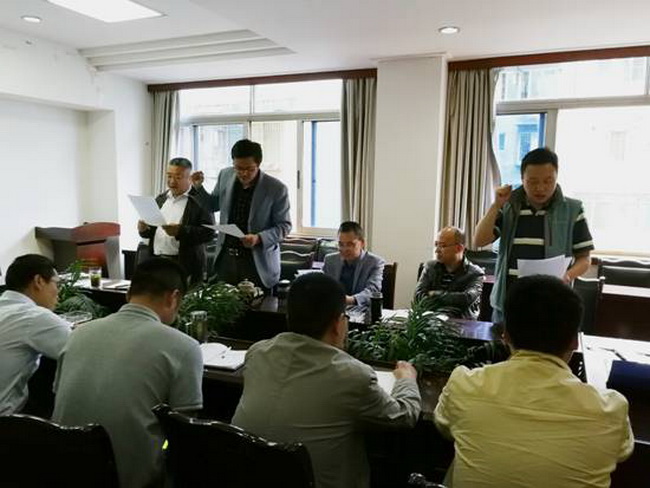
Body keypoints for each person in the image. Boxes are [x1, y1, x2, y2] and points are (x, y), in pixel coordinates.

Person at [434, 275, 634, 488]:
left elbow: (444, 425)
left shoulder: (464, 385)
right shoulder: (610, 410)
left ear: (505, 335)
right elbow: (622, 451)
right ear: (575, 341)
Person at [232, 273, 421, 488]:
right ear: (337, 324)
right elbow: (403, 417)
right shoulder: (353, 376)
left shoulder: (257, 353)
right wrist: (407, 379)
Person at [52, 258, 203, 488]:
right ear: (173, 297)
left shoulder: (78, 333)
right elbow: (182, 431)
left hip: (63, 469)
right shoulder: (184, 346)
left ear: (128, 294)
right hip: (131, 479)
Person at [473, 147, 594, 323]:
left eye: (548, 181)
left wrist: (567, 276)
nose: (540, 188)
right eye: (533, 181)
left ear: (556, 177)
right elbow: (479, 240)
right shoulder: (509, 206)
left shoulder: (572, 210)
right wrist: (496, 205)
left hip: (551, 303)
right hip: (508, 303)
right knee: (504, 342)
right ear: (522, 179)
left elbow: (585, 258)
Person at [191, 139, 291, 290]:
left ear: (258, 164)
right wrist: (198, 187)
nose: (243, 173)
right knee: (223, 302)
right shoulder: (225, 175)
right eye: (238, 168)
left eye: (249, 169)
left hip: (257, 261)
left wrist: (259, 238)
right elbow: (213, 205)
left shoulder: (276, 188)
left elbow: (284, 226)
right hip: (226, 258)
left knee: (257, 304)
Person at [0, 254, 70, 415]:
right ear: (39, 281)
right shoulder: (33, 316)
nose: (58, 292)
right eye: (56, 284)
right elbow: (82, 349)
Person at [138, 157, 215, 285]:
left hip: (184, 265)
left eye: (178, 177)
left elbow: (209, 233)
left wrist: (180, 231)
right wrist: (144, 230)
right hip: (157, 261)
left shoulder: (200, 200)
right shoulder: (161, 199)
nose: (172, 182)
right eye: (169, 176)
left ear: (189, 178)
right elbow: (153, 231)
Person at [414, 226, 484, 319]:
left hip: (460, 323)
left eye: (442, 246)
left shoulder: (475, 273)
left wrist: (435, 294)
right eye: (436, 245)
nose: (437, 250)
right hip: (429, 319)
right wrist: (449, 300)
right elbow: (418, 296)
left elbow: (466, 299)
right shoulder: (430, 267)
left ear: (459, 248)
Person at [322, 221, 385, 312]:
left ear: (362, 243)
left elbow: (373, 291)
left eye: (350, 244)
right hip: (334, 311)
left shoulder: (374, 262)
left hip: (362, 312)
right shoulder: (330, 260)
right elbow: (324, 286)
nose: (345, 249)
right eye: (341, 244)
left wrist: (351, 300)